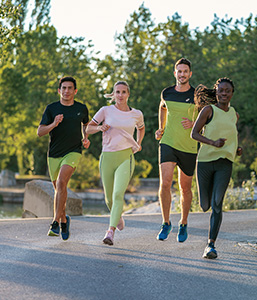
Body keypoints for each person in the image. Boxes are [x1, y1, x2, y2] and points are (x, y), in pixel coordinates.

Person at [86, 81, 145, 246]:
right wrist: (99, 128)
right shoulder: (106, 110)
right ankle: (117, 218)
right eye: (117, 92)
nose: (120, 95)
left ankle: (110, 232)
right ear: (114, 94)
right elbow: (88, 129)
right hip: (107, 156)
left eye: (124, 92)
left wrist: (138, 143)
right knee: (109, 199)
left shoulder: (136, 114)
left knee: (118, 194)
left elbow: (141, 127)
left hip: (126, 156)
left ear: (128, 94)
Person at [191, 77, 243, 259]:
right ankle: (209, 199)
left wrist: (236, 148)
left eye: (227, 91)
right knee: (205, 205)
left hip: (224, 164)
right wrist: (212, 142)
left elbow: (231, 134)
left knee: (217, 205)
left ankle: (210, 245)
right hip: (205, 162)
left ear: (232, 93)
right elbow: (194, 134)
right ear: (216, 92)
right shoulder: (208, 110)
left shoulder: (234, 114)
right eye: (221, 90)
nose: (224, 94)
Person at [37, 76, 90, 240]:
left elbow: (86, 125)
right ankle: (64, 220)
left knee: (61, 183)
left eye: (70, 88)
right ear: (59, 91)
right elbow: (40, 132)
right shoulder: (52, 109)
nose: (66, 91)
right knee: (60, 189)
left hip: (73, 152)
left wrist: (86, 137)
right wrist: (54, 124)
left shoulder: (81, 108)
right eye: (64, 88)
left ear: (75, 91)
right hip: (54, 154)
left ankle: (55, 223)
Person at [155, 58, 198, 243]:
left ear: (190, 73)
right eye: (179, 71)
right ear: (175, 73)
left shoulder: (197, 95)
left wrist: (194, 123)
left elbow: (207, 116)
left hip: (188, 145)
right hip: (168, 142)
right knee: (165, 183)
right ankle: (165, 223)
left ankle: (183, 223)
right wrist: (161, 128)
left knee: (185, 188)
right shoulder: (167, 92)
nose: (182, 74)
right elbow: (162, 107)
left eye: (185, 71)